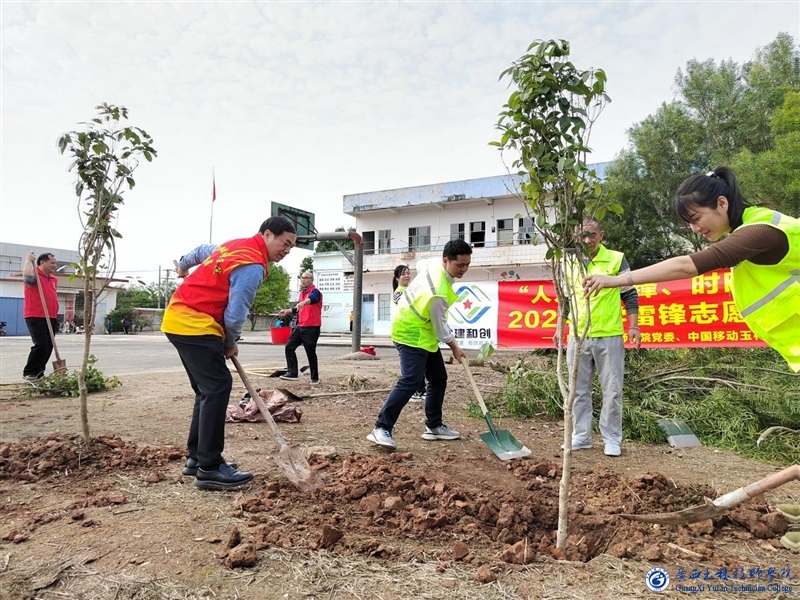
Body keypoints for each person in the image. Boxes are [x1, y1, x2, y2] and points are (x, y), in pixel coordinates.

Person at [583, 166, 799, 373]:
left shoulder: (760, 231)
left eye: (696, 219)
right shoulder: (755, 224)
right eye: (689, 224)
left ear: (722, 203)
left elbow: (686, 267)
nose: (695, 229)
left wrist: (614, 280)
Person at [162, 216, 297, 490]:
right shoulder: (252, 265)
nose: (287, 250)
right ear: (268, 234)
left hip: (177, 318)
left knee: (206, 390)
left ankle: (196, 459)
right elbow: (235, 314)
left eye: (292, 247)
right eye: (285, 243)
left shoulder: (233, 246)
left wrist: (184, 264)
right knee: (217, 387)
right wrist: (230, 341)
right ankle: (209, 468)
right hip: (195, 324)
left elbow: (201, 250)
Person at [367, 240, 472, 449]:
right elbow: (442, 329)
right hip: (409, 331)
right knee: (411, 380)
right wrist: (455, 347)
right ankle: (381, 428)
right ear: (446, 261)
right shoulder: (437, 294)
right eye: (459, 265)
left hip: (424, 332)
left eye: (467, 264)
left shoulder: (433, 264)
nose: (464, 269)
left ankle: (433, 426)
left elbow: (422, 263)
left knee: (438, 377)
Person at [567, 219, 641, 457]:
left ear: (601, 235)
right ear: (575, 236)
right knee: (577, 390)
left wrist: (634, 326)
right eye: (582, 236)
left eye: (593, 235)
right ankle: (581, 435)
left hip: (609, 334)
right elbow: (565, 298)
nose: (587, 241)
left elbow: (629, 294)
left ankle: (611, 438)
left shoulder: (616, 259)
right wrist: (561, 326)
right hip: (577, 336)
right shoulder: (569, 262)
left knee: (612, 389)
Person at [277, 271, 323, 385]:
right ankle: (292, 372)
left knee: (310, 352)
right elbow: (298, 308)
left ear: (312, 280)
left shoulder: (315, 292)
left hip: (312, 328)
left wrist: (304, 302)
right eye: (302, 278)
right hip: (300, 326)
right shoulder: (302, 293)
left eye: (306, 278)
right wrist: (288, 311)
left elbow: (312, 299)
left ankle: (314, 377)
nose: (303, 280)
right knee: (289, 347)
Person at [22, 252, 60, 381]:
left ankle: (39, 372)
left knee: (49, 345)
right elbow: (27, 279)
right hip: (35, 315)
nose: (55, 265)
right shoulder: (34, 275)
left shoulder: (54, 279)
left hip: (51, 316)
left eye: (55, 263)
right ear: (42, 262)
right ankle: (30, 372)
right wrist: (28, 261)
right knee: (41, 344)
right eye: (52, 263)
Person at [392, 264, 426, 403]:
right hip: (405, 334)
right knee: (411, 368)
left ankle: (421, 390)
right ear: (397, 278)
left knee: (420, 364)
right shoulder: (399, 293)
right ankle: (416, 391)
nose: (407, 276)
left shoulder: (412, 290)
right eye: (403, 274)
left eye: (408, 273)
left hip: (417, 333)